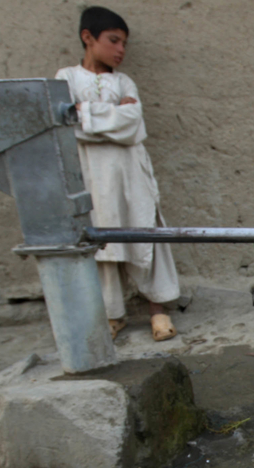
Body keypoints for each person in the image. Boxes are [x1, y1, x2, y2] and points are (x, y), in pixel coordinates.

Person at [56, 6, 180, 342]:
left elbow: (132, 124)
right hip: (92, 176)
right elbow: (65, 124)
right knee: (103, 242)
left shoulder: (124, 81)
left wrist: (88, 115)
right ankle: (111, 315)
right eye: (114, 41)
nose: (121, 50)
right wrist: (111, 114)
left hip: (131, 174)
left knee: (146, 233)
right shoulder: (66, 78)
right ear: (88, 38)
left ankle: (159, 310)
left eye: (124, 43)